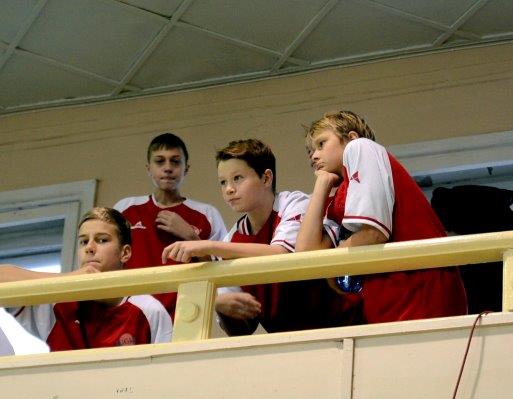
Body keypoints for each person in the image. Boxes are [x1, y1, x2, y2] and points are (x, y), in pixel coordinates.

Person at [162, 138, 362, 335]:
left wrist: (207, 246)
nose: (229, 188)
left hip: (348, 326)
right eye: (223, 182)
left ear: (266, 178)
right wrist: (220, 305)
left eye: (237, 178)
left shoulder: (295, 203)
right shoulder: (231, 240)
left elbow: (280, 255)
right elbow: (242, 329)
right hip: (290, 340)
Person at [296, 110, 467, 324]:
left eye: (321, 144)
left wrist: (332, 266)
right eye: (311, 151)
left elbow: (373, 234)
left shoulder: (361, 147)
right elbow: (305, 255)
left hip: (419, 288)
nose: (314, 156)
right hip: (386, 298)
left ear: (351, 138)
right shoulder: (340, 193)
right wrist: (322, 184)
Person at [5, 207, 172, 351]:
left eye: (102, 240)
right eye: (84, 242)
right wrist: (70, 279)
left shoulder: (149, 310)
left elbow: (167, 370)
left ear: (125, 253)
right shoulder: (58, 304)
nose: (90, 248)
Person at [114, 133, 227, 316]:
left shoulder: (207, 214)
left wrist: (191, 236)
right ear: (148, 168)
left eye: (175, 161)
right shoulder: (125, 209)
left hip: (186, 314)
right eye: (160, 161)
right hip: (130, 315)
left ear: (186, 168)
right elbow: (108, 260)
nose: (168, 168)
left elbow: (221, 272)